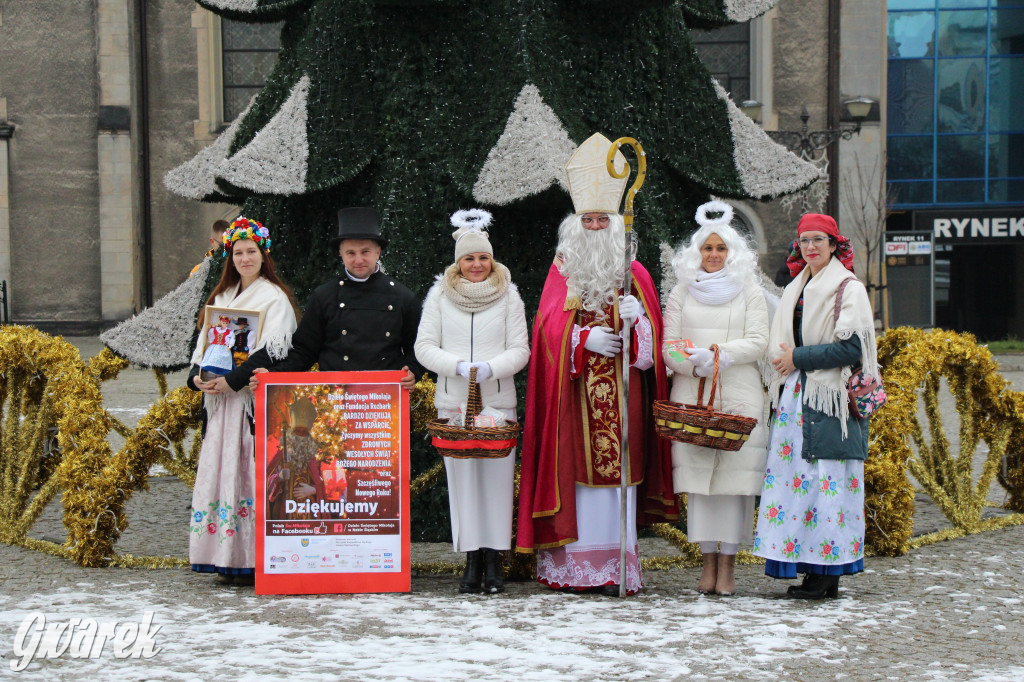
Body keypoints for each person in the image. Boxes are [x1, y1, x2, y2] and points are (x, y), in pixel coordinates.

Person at [516, 133, 678, 596]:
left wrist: (638, 324)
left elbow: (652, 352)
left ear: (614, 224)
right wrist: (583, 337)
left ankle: (615, 567)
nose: (592, 226)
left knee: (619, 482)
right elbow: (546, 326)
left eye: (600, 219)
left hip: (624, 395)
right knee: (580, 482)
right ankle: (578, 568)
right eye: (585, 219)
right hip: (575, 397)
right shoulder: (562, 269)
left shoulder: (635, 272)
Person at [754, 213, 876, 599]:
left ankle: (828, 573)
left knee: (829, 486)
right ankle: (811, 570)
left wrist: (799, 358)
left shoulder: (848, 287)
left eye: (818, 240)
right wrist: (785, 362)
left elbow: (853, 347)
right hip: (797, 399)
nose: (810, 247)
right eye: (804, 240)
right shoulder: (797, 287)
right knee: (800, 488)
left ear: (834, 244)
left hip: (830, 402)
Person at [414, 209, 530, 594]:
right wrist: (459, 366)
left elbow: (520, 350)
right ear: (458, 262)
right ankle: (470, 559)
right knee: (461, 483)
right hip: (453, 403)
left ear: (491, 259)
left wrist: (490, 369)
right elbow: (424, 347)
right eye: (469, 258)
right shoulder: (439, 296)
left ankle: (495, 558)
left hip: (497, 403)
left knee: (496, 483)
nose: (477, 265)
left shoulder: (509, 296)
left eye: (483, 257)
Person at [661, 200, 769, 596]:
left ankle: (729, 568)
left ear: (732, 253)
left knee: (732, 486)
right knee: (701, 488)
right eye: (707, 248)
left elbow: (758, 341)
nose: (713, 255)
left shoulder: (749, 291)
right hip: (693, 397)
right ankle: (706, 563)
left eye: (720, 248)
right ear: (697, 253)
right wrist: (692, 363)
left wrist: (719, 355)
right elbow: (668, 345)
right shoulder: (681, 293)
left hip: (738, 395)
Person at [187, 217, 300, 585]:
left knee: (247, 471)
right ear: (230, 257)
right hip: (220, 404)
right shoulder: (221, 298)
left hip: (247, 401)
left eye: (251, 251)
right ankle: (221, 554)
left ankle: (251, 556)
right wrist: (196, 378)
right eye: (238, 252)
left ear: (262, 255)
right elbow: (205, 344)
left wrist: (232, 381)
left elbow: (272, 350)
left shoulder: (272, 297)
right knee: (221, 471)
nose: (245, 258)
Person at [245, 207, 422, 390]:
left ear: (378, 252)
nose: (358, 259)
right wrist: (273, 376)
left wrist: (413, 371)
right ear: (341, 254)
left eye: (365, 252)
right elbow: (304, 351)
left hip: (384, 402)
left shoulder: (403, 297)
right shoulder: (324, 296)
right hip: (335, 403)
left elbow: (417, 347)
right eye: (351, 253)